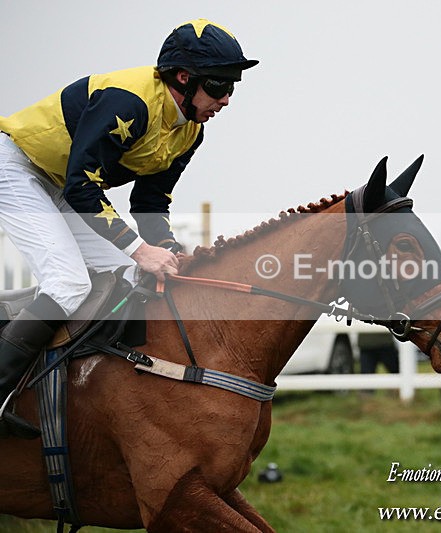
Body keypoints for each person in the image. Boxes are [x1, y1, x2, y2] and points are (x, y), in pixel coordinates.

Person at [0, 19, 258, 436]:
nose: (226, 99)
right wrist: (141, 250)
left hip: (61, 183)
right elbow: (82, 186)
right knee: (68, 284)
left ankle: (84, 388)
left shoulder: (190, 132)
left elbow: (150, 203)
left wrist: (169, 251)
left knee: (128, 274)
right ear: (183, 78)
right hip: (17, 167)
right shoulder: (128, 102)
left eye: (232, 87)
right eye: (218, 85)